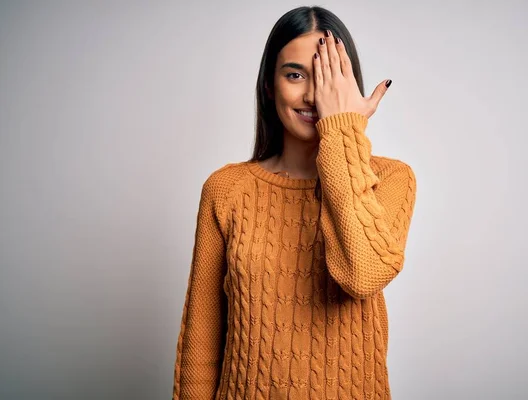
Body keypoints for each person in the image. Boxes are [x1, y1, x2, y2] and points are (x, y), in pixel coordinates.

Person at [172, 5, 417, 400]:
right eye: (295, 74)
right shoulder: (226, 189)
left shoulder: (390, 179)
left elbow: (363, 274)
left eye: (326, 76)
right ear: (269, 85)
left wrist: (341, 129)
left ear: (347, 88)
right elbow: (202, 336)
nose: (310, 93)